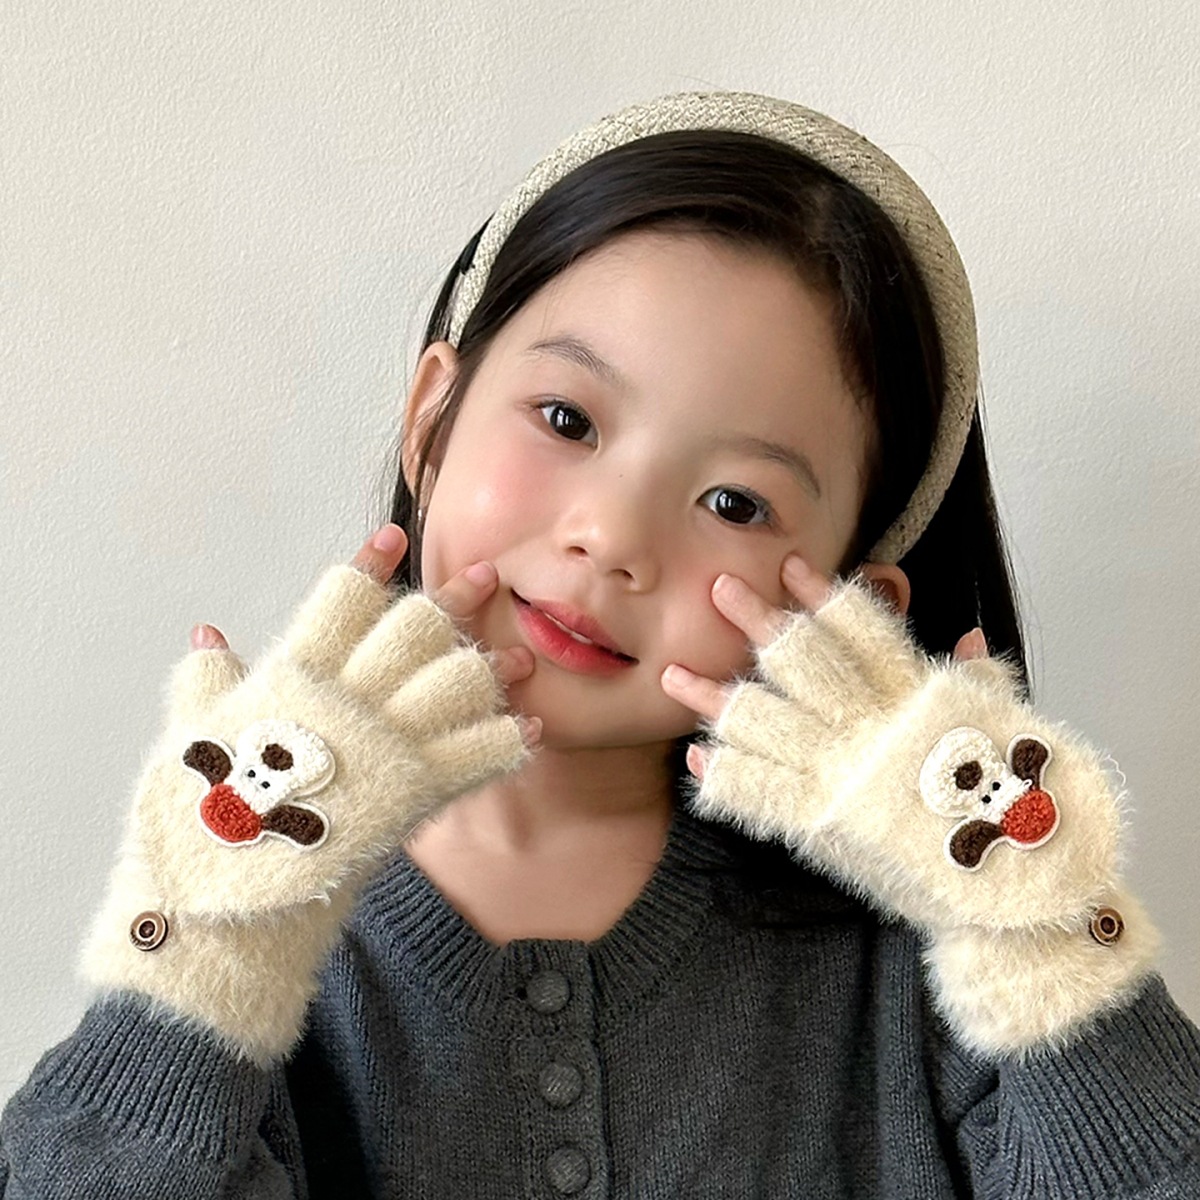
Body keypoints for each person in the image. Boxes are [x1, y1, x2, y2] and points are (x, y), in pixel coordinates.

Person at [2, 90, 1198, 1198]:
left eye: (735, 503)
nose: (613, 539)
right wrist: (208, 941)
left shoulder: (933, 966)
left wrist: (1033, 924)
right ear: (432, 419)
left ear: (850, 609)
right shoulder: (256, 929)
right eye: (567, 419)